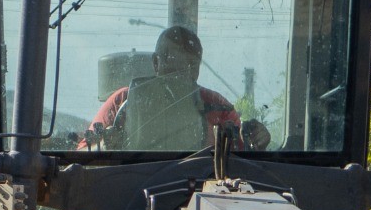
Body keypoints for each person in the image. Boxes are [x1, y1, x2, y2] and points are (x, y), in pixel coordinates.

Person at [81, 25, 270, 152]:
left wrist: (257, 141)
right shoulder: (122, 101)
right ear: (156, 63)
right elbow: (82, 152)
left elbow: (241, 155)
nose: (180, 77)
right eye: (173, 67)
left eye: (189, 66)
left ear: (197, 69)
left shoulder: (218, 108)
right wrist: (105, 144)